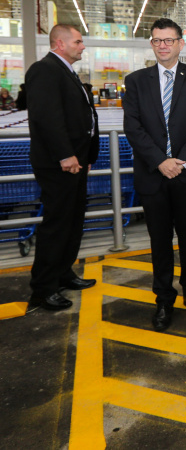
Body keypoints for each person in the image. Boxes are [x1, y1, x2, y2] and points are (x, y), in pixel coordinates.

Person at [123, 18, 186, 332]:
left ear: (180, 43)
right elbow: (132, 127)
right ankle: (163, 298)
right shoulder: (135, 81)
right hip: (153, 175)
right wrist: (161, 162)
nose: (163, 45)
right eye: (158, 40)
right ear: (152, 44)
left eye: (169, 40)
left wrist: (181, 160)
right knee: (159, 240)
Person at [25, 24, 99, 312]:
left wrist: (85, 155)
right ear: (59, 43)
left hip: (76, 163)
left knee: (72, 222)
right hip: (60, 165)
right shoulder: (44, 69)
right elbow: (47, 118)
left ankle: (63, 273)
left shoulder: (65, 70)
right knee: (57, 225)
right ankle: (43, 289)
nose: (82, 47)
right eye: (78, 42)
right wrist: (66, 155)